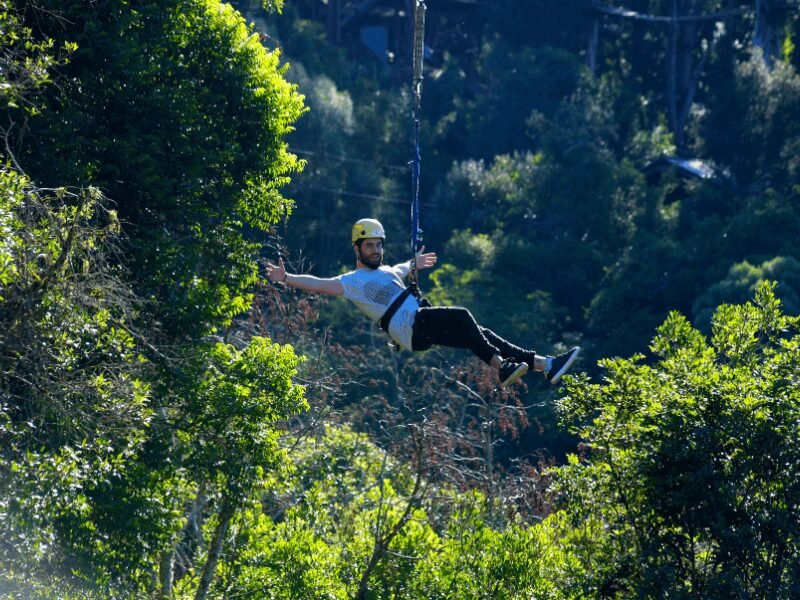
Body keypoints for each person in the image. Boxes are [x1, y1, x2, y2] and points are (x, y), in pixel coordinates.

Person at [266, 218, 579, 387]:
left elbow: (404, 267)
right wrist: (287, 277)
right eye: (369, 246)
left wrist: (414, 262)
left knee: (479, 333)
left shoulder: (389, 270)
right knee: (462, 316)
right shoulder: (353, 282)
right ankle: (500, 367)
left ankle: (546, 365)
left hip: (420, 325)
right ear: (357, 248)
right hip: (411, 328)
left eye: (378, 245)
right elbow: (320, 286)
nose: (375, 250)